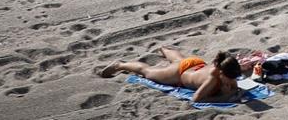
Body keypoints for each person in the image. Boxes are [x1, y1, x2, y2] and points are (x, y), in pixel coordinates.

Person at [96, 48, 242, 103]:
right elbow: (196, 99)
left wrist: (233, 89)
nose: (232, 81)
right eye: (230, 79)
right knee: (148, 72)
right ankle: (120, 65)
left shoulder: (226, 71)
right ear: (221, 73)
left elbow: (236, 87)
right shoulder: (211, 79)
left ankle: (165, 49)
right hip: (179, 73)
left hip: (194, 63)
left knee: (179, 59)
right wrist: (225, 97)